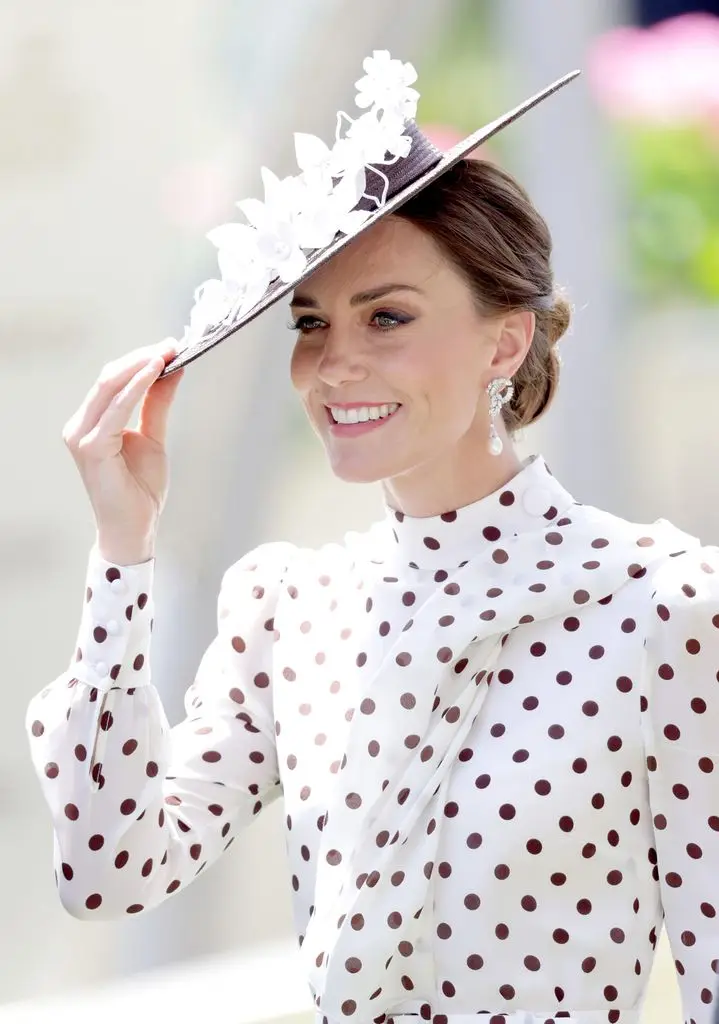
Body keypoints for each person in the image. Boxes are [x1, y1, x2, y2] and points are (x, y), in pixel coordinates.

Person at [25, 50, 719, 1024]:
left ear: (504, 340)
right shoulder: (289, 607)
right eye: (310, 324)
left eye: (384, 316)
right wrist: (122, 549)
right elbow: (109, 871)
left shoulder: (666, 609)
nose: (333, 364)